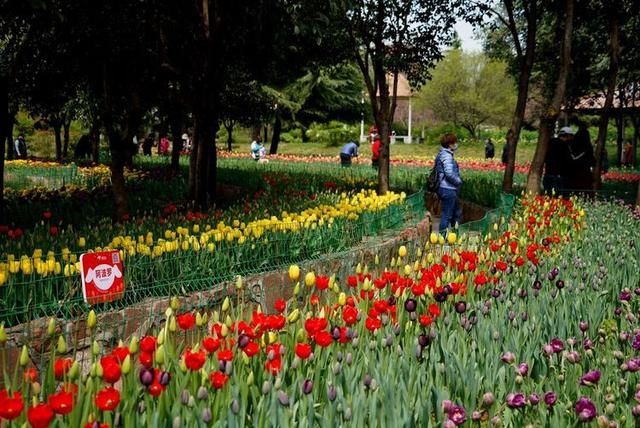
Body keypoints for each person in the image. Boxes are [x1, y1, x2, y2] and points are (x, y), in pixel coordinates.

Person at [435, 133, 463, 232]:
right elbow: (449, 173)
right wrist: (459, 181)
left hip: (447, 188)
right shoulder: (446, 156)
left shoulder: (442, 154)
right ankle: (443, 239)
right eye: (455, 142)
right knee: (447, 215)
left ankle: (454, 236)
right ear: (450, 144)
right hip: (448, 188)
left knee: (457, 213)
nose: (456, 144)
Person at [567, 123, 595, 194]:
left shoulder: (573, 144)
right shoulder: (588, 147)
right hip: (585, 171)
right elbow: (592, 160)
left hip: (574, 172)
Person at [543, 129, 571, 196]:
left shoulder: (550, 143)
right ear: (566, 137)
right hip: (559, 174)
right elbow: (567, 160)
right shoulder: (564, 146)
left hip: (548, 172)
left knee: (548, 193)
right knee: (558, 194)